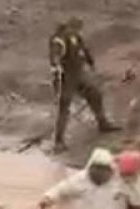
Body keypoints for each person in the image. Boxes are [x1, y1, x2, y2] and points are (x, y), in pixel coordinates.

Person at [49, 17, 120, 153]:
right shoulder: (59, 39)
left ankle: (102, 123)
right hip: (65, 77)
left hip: (78, 74)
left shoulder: (76, 37)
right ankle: (59, 141)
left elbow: (84, 50)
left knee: (95, 94)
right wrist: (56, 70)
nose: (77, 31)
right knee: (64, 107)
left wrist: (91, 63)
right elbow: (55, 56)